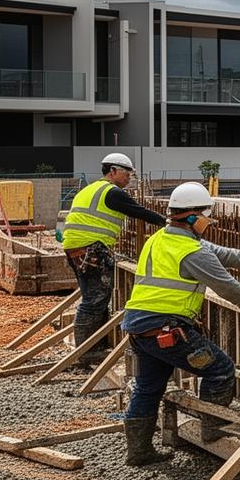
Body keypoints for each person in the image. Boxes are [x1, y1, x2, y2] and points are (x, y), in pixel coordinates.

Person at [118, 182, 240, 467]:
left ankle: (138, 451)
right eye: (207, 217)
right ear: (194, 217)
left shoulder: (160, 239)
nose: (209, 224)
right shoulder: (191, 251)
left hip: (138, 328)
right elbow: (226, 287)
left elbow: (226, 254)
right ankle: (211, 429)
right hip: (166, 330)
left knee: (148, 387)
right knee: (220, 370)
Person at [59, 152, 169, 368]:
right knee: (94, 301)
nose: (129, 178)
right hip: (92, 249)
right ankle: (86, 352)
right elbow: (140, 212)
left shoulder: (90, 189)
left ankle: (94, 347)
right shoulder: (112, 193)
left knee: (95, 298)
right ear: (113, 171)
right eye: (127, 173)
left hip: (78, 248)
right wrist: (170, 224)